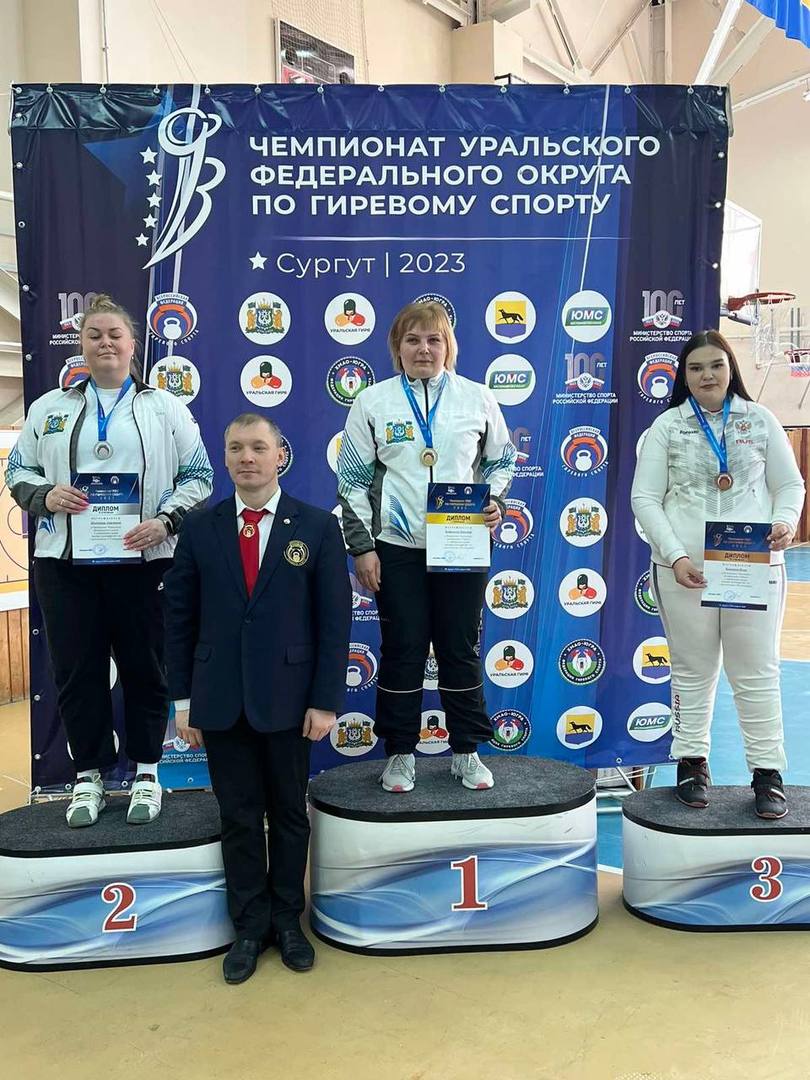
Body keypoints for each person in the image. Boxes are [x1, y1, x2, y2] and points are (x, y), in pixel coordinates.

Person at [7, 293, 213, 828]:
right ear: (80, 344)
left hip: (144, 561)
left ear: (132, 344)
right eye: (94, 335)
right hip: (66, 564)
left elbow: (200, 476)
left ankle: (147, 771)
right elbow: (17, 471)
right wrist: (45, 495)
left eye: (114, 335)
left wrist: (165, 521)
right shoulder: (49, 408)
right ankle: (88, 776)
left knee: (146, 667)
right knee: (78, 671)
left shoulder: (165, 408)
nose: (105, 343)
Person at [164, 413, 351, 985]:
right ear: (223, 457)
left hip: (291, 702)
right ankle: (249, 927)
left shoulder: (317, 526)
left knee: (290, 815)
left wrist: (325, 700)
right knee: (239, 817)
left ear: (279, 456)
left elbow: (333, 621)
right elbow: (179, 618)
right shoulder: (201, 527)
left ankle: (287, 921)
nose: (247, 457)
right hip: (220, 700)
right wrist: (182, 700)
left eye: (259, 447)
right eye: (236, 448)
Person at [337, 301, 517, 794]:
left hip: (461, 543)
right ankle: (400, 753)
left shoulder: (477, 398)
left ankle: (466, 751)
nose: (423, 349)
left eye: (434, 340)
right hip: (397, 547)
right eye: (412, 340)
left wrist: (496, 500)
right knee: (403, 647)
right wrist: (363, 548)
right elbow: (351, 481)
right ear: (397, 347)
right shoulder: (372, 402)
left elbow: (502, 461)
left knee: (460, 646)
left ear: (448, 347)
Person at [631, 329, 805, 818]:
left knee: (757, 671)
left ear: (731, 369)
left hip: (752, 567)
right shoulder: (667, 427)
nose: (707, 375)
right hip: (684, 571)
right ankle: (691, 764)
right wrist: (676, 555)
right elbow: (644, 498)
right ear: (683, 376)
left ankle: (767, 773)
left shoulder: (760, 419)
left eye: (716, 365)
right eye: (696, 368)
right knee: (692, 669)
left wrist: (785, 522)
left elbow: (790, 485)